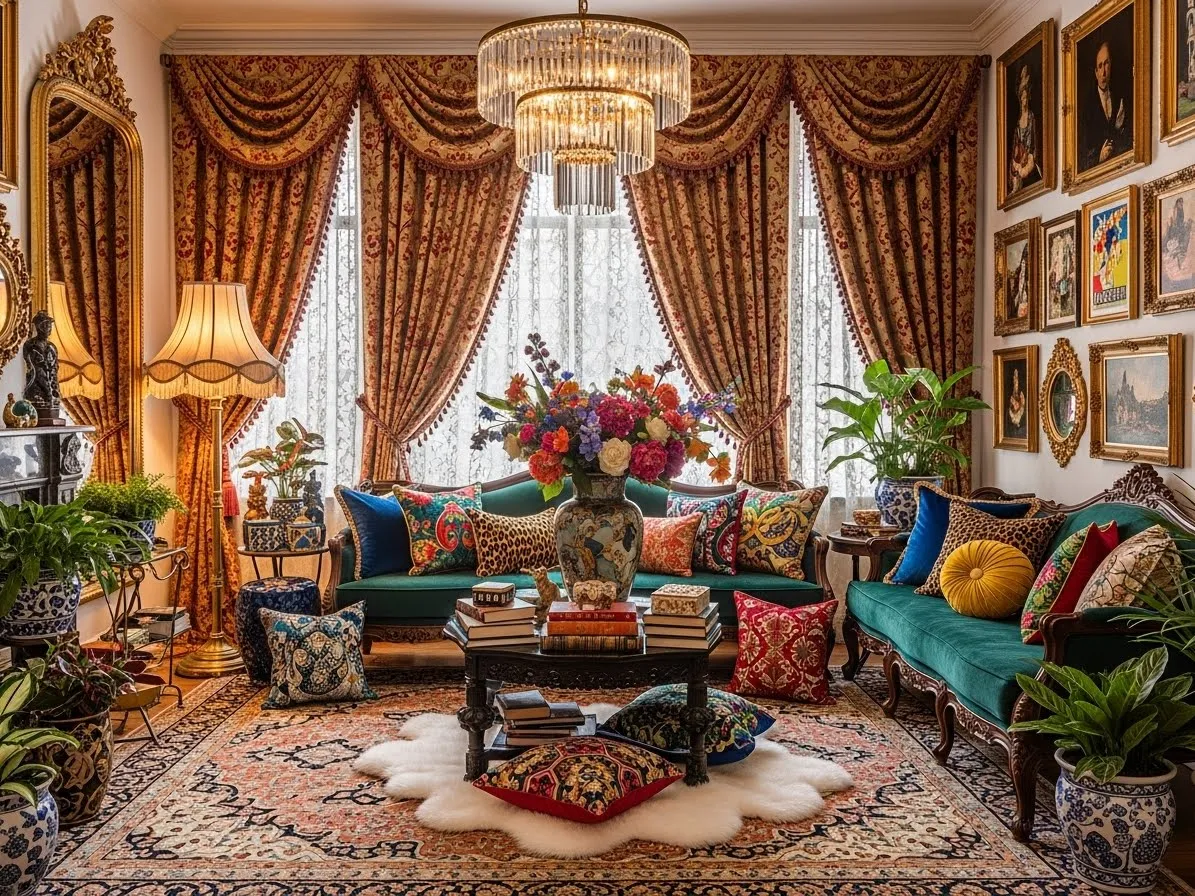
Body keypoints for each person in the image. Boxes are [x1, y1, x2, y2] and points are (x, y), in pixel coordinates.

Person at [1081, 40, 1131, 170]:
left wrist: (1119, 128)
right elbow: (1083, 151)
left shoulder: (1119, 96)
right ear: (1096, 72)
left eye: (1106, 64)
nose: (1103, 72)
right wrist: (1099, 156)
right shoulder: (1087, 106)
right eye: (1100, 66)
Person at [1009, 65, 1040, 192]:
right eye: (1023, 98)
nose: (1025, 100)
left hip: (1030, 156)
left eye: (1026, 97)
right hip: (1020, 156)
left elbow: (1033, 141)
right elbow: (1016, 144)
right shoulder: (1018, 121)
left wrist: (1029, 156)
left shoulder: (1031, 117)